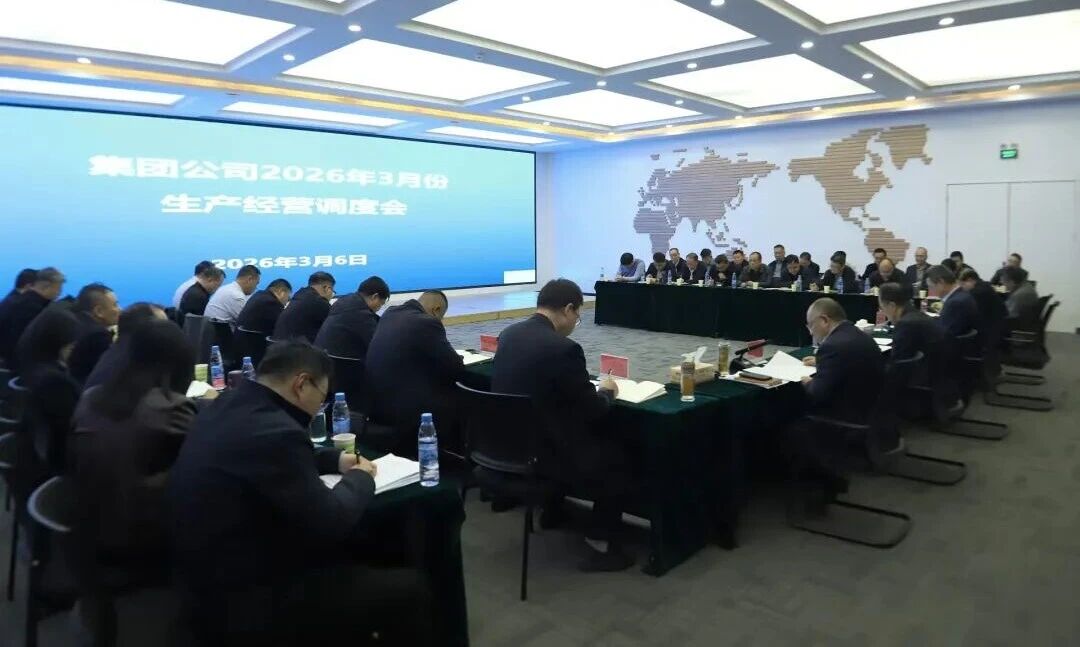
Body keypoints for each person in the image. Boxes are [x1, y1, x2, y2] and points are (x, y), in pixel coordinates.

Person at [169, 340, 430, 645]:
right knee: (408, 588)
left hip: (197, 576)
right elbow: (332, 521)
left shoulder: (228, 403)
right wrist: (361, 478)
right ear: (302, 384)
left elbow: (269, 458)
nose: (321, 406)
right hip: (246, 598)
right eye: (322, 396)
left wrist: (335, 460)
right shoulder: (277, 431)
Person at [492, 279, 631, 571]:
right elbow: (593, 410)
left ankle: (552, 511)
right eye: (577, 315)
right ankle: (602, 544)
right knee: (615, 457)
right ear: (568, 309)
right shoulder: (564, 349)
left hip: (504, 446)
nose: (575, 322)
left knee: (559, 431)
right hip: (544, 455)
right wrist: (607, 391)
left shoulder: (508, 334)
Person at [72, 320, 205, 582]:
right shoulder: (171, 408)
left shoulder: (91, 397)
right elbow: (207, 455)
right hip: (141, 542)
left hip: (86, 528)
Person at [792, 298, 885, 508]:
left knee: (789, 426)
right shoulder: (857, 335)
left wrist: (807, 381)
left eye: (810, 325)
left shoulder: (832, 346)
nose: (810, 332)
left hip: (847, 420)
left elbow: (817, 394)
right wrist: (821, 362)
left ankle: (818, 488)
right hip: (871, 411)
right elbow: (847, 362)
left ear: (824, 320)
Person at [365, 290, 464, 452]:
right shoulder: (427, 323)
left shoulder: (390, 313)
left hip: (376, 406)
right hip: (406, 412)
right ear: (436, 310)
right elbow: (455, 367)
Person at [15, 307, 83, 480]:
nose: (74, 348)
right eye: (70, 343)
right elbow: (71, 429)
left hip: (33, 457)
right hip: (56, 468)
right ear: (57, 342)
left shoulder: (34, 365)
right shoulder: (55, 383)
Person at [84, 303, 168, 389]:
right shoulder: (136, 363)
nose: (170, 331)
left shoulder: (117, 352)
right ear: (149, 330)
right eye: (165, 326)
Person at [0, 266, 65, 369]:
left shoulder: (22, 301)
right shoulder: (32, 308)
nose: (60, 293)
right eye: (58, 289)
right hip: (20, 365)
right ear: (46, 286)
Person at [314, 275, 388, 359]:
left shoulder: (345, 301)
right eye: (381, 303)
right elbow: (379, 345)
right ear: (374, 297)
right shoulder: (362, 315)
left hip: (321, 357)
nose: (379, 308)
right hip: (340, 362)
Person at [67, 283, 121, 384]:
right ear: (99, 311)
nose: (120, 310)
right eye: (115, 305)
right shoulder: (98, 336)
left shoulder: (73, 321)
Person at [272, 271, 336, 343]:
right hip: (297, 347)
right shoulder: (318, 302)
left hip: (279, 346)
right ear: (327, 288)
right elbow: (335, 327)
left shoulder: (300, 295)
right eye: (333, 291)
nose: (332, 294)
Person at [926, 265, 978, 338]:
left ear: (941, 282)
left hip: (951, 343)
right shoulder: (963, 294)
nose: (930, 290)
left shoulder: (954, 303)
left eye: (931, 286)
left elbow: (943, 334)